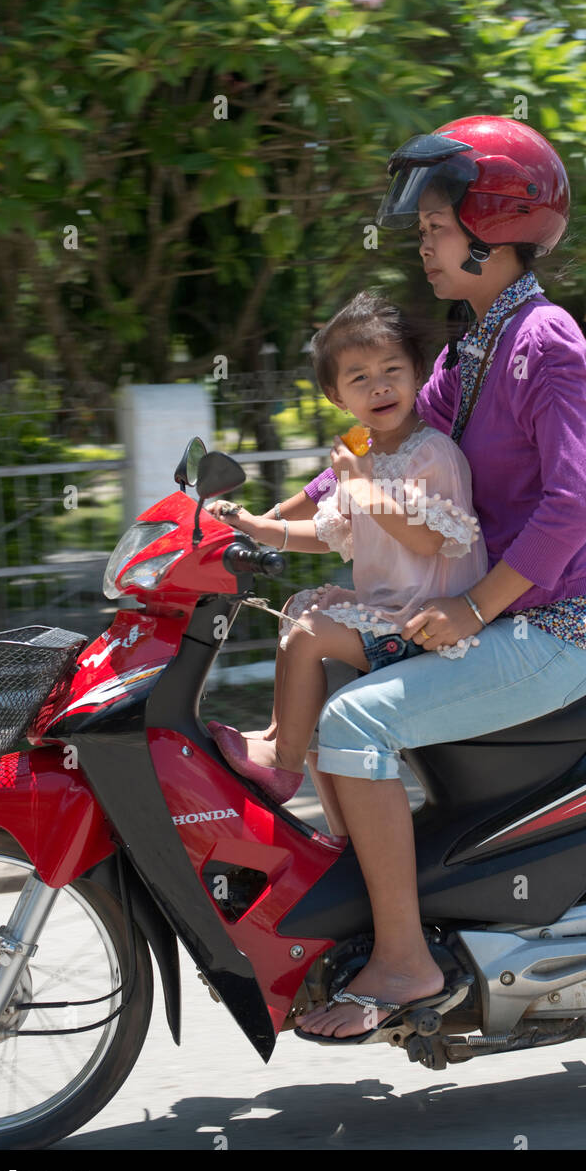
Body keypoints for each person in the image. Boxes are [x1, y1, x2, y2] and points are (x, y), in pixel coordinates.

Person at [238, 115, 586, 1042]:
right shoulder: (465, 351)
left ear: (492, 225)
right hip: (509, 617)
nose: (422, 246)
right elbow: (371, 453)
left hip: (566, 623)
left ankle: (407, 961)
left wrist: (468, 607)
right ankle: (383, 911)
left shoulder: (547, 342)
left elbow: (573, 504)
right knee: (333, 659)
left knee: (354, 718)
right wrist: (261, 524)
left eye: (434, 229)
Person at [206, 291, 488, 805]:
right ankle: (274, 737)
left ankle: (284, 764)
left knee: (311, 632)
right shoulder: (365, 454)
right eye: (359, 378)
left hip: (422, 626)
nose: (379, 386)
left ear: (417, 373)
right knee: (296, 612)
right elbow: (333, 531)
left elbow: (428, 539)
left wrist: (360, 487)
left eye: (392, 370)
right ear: (337, 397)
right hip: (386, 613)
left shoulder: (433, 453)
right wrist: (254, 526)